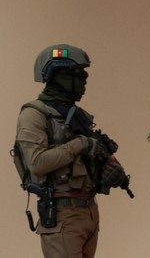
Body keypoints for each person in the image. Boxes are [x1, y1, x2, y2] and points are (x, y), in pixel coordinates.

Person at [14, 44, 126, 258]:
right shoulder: (34, 114)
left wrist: (112, 171)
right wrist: (80, 144)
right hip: (62, 215)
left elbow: (92, 159)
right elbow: (37, 163)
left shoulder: (76, 115)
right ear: (58, 76)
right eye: (79, 75)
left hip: (88, 211)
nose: (84, 82)